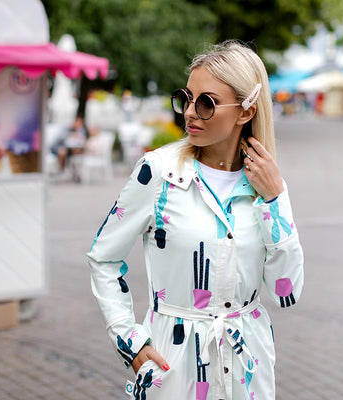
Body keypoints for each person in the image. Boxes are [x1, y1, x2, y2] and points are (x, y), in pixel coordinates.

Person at [88, 40, 304, 400]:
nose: (189, 112)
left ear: (246, 111)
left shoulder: (266, 184)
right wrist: (129, 340)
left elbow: (287, 290)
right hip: (173, 365)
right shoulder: (157, 173)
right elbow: (103, 257)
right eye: (186, 98)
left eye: (206, 103)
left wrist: (274, 200)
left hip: (246, 369)